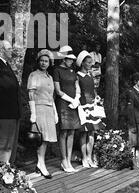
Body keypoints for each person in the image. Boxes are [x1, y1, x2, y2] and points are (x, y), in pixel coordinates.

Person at [27, 49, 58, 179]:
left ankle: (40, 163)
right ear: (38, 62)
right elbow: (31, 94)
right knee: (41, 138)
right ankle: (41, 164)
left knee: (47, 139)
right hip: (39, 108)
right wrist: (33, 113)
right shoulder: (34, 75)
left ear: (49, 63)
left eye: (46, 61)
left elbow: (51, 96)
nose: (44, 63)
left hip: (49, 109)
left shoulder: (50, 77)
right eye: (41, 61)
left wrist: (55, 112)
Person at [76, 50, 106, 168]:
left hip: (92, 105)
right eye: (88, 63)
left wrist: (96, 98)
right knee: (84, 132)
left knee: (92, 132)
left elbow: (93, 90)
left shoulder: (90, 76)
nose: (90, 65)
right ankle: (84, 158)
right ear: (82, 63)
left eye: (91, 63)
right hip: (83, 106)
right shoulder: (78, 76)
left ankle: (89, 157)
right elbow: (77, 91)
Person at [53, 45, 80, 173]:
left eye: (72, 59)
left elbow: (77, 86)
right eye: (69, 59)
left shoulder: (72, 71)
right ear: (64, 58)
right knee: (63, 132)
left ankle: (69, 160)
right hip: (63, 104)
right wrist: (70, 100)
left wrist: (77, 99)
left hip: (74, 104)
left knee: (72, 132)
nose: (71, 61)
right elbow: (58, 91)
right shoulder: (57, 70)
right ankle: (64, 160)